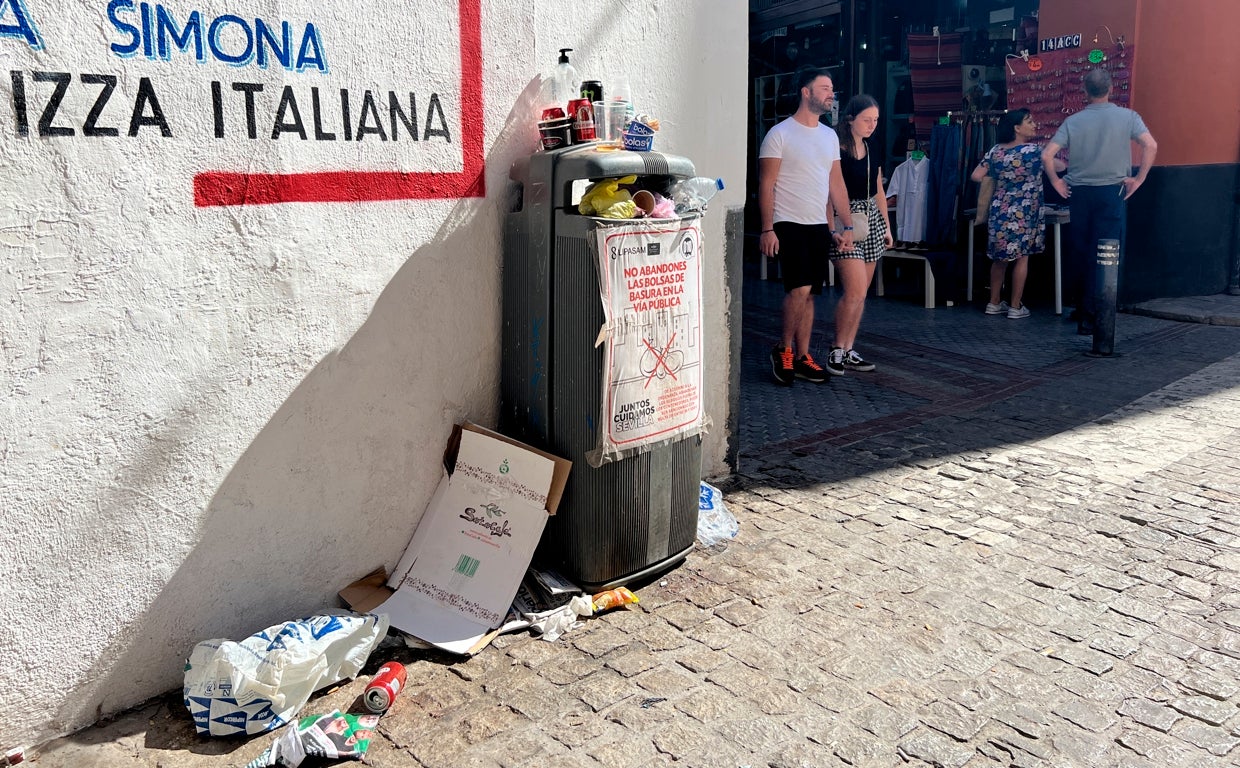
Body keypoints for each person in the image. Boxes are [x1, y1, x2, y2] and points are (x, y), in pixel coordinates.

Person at [759, 67, 856, 386]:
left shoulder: (829, 136)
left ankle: (802, 357)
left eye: (832, 89)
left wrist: (846, 226)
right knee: (799, 289)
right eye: (825, 88)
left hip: (818, 225)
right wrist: (767, 228)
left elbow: (836, 183)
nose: (831, 94)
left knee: (811, 294)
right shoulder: (779, 134)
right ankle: (783, 349)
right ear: (806, 92)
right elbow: (766, 184)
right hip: (788, 222)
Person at [1042, 68, 1157, 334]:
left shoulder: (1073, 121)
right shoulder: (1128, 117)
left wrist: (1057, 182)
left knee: (1080, 250)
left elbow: (1047, 155)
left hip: (1079, 192)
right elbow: (1151, 145)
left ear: (1085, 90)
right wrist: (1138, 179)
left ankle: (1083, 310)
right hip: (1111, 192)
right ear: (1111, 89)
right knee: (1107, 253)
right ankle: (1099, 314)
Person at [969, 109, 1059, 319]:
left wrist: (1004, 179)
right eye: (1029, 121)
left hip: (999, 210)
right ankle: (1015, 306)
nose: (1034, 124)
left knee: (999, 258)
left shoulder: (996, 151)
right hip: (1025, 212)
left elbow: (976, 175)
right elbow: (1060, 165)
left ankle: (993, 303)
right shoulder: (1034, 151)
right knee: (1022, 258)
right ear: (1017, 128)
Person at [824, 94, 891, 375]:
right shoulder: (836, 149)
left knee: (861, 293)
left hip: (870, 219)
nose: (872, 125)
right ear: (851, 119)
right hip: (845, 218)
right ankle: (837, 349)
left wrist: (887, 226)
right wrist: (831, 228)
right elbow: (828, 193)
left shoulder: (872, 148)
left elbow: (878, 190)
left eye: (875, 120)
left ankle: (849, 348)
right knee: (853, 290)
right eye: (867, 120)